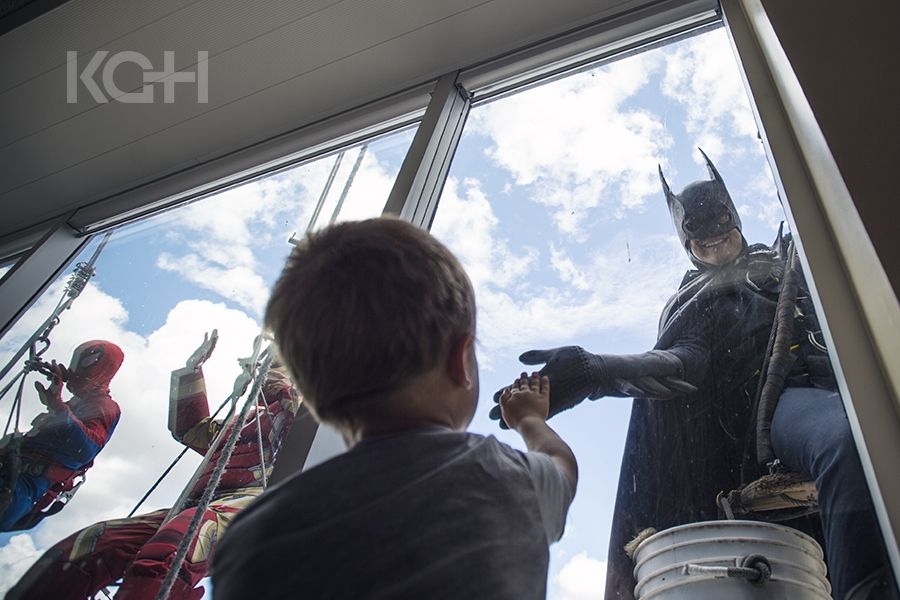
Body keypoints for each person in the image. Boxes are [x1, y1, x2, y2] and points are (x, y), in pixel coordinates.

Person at [492, 151, 896, 600]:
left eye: (724, 232)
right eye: (703, 242)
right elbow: (678, 367)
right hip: (785, 403)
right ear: (689, 246)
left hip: (857, 379)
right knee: (848, 439)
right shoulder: (698, 300)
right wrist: (594, 372)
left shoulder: (793, 261)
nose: (717, 245)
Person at [211, 217, 578, 600]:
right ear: (460, 359)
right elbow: (561, 468)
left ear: (311, 392)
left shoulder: (249, 536)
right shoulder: (504, 477)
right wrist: (529, 418)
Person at [8, 332, 301, 600]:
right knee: (89, 545)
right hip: (197, 506)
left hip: (251, 507)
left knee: (172, 549)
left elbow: (317, 433)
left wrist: (282, 385)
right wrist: (192, 371)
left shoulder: (310, 412)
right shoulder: (245, 420)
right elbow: (191, 430)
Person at [0, 340, 123, 532]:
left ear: (101, 366)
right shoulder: (76, 404)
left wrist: (58, 408)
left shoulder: (104, 406)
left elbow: (85, 449)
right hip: (11, 476)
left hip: (23, 488)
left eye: (86, 361)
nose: (75, 368)